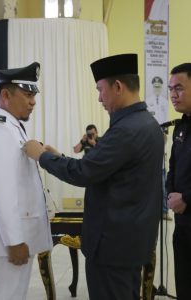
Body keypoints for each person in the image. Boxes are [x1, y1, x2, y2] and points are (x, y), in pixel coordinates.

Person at [23, 54, 164, 300]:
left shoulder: (126, 129)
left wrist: (42, 157)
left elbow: (84, 173)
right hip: (131, 241)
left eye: (101, 90)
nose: (99, 98)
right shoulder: (147, 123)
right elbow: (104, 167)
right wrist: (61, 156)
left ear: (118, 87)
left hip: (112, 246)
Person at [0, 62, 52, 300]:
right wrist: (14, 240)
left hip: (19, 235)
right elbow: (1, 192)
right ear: (6, 95)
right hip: (8, 241)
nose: (33, 102)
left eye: (34, 95)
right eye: (27, 94)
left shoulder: (12, 127)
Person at [167, 62, 191, 300]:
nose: (173, 94)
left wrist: (187, 199)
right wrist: (170, 193)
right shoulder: (180, 127)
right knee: (184, 283)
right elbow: (173, 167)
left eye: (180, 88)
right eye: (171, 89)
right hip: (182, 221)